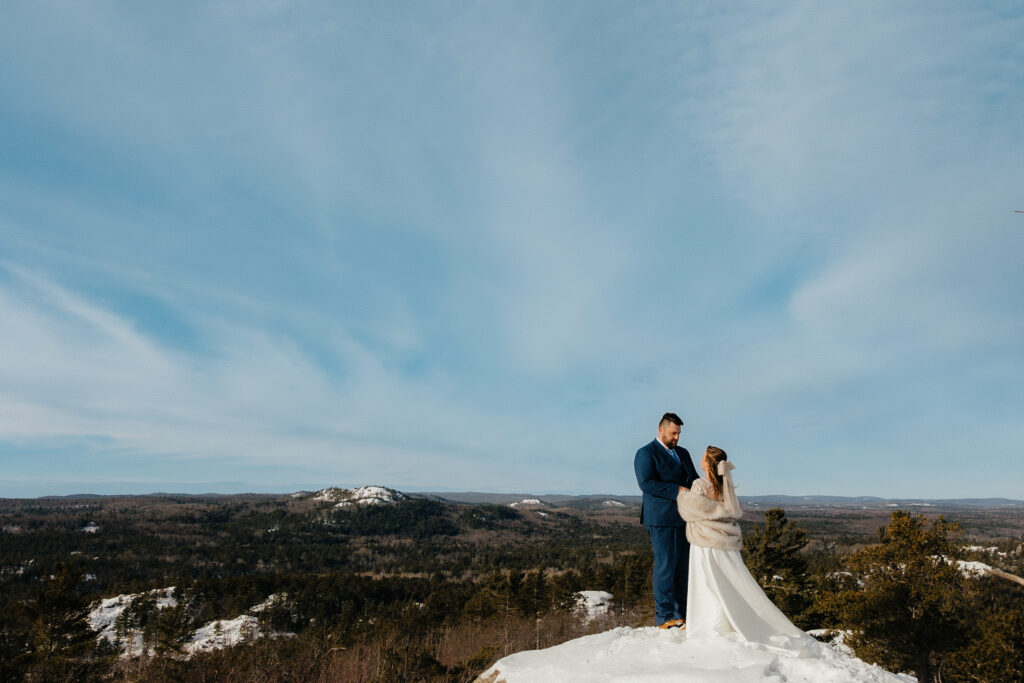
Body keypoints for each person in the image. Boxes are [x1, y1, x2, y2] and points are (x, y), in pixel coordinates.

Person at [678, 446, 815, 651]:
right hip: (724, 541)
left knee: (707, 581)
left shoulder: (699, 484)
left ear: (707, 463)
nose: (700, 459)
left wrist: (685, 496)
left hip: (705, 542)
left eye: (703, 457)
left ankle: (710, 623)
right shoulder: (727, 486)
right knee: (728, 580)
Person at [634, 412, 700, 629]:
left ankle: (683, 614)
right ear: (661, 430)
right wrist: (677, 489)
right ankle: (665, 617)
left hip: (685, 517)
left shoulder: (683, 453)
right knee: (665, 567)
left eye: (679, 434)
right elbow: (646, 484)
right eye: (673, 433)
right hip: (661, 519)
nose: (677, 438)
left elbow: (693, 478)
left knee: (682, 568)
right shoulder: (646, 453)